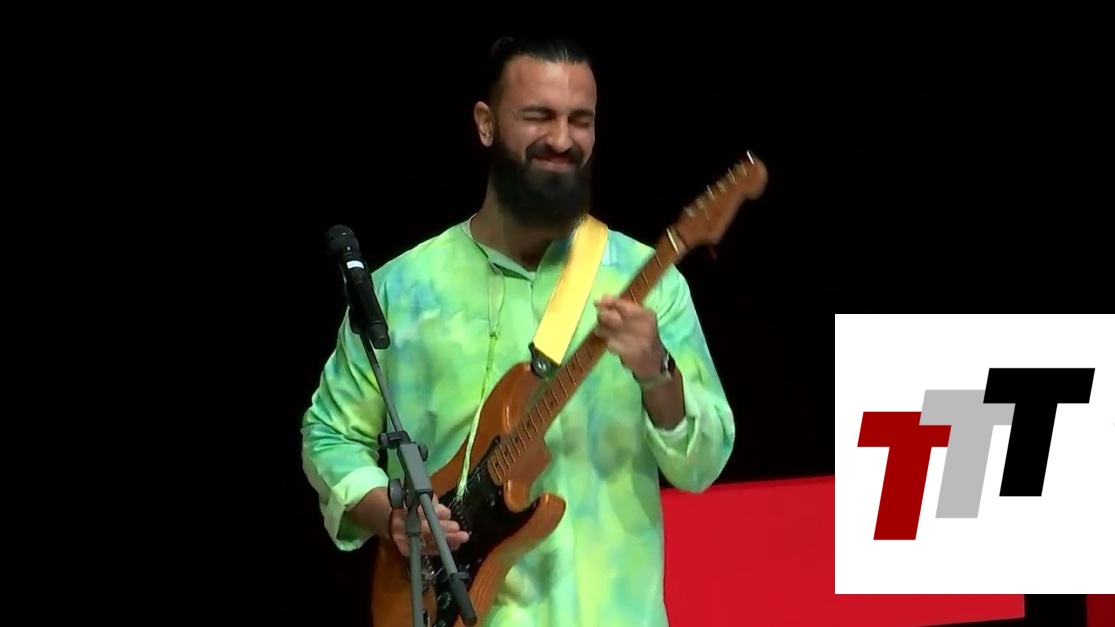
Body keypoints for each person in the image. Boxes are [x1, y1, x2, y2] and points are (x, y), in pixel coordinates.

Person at [301, 36, 736, 626]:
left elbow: (702, 465)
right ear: (485, 124)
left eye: (580, 120)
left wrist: (657, 372)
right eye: (538, 116)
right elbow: (330, 434)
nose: (561, 139)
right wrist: (390, 515)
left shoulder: (648, 283)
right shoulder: (402, 291)